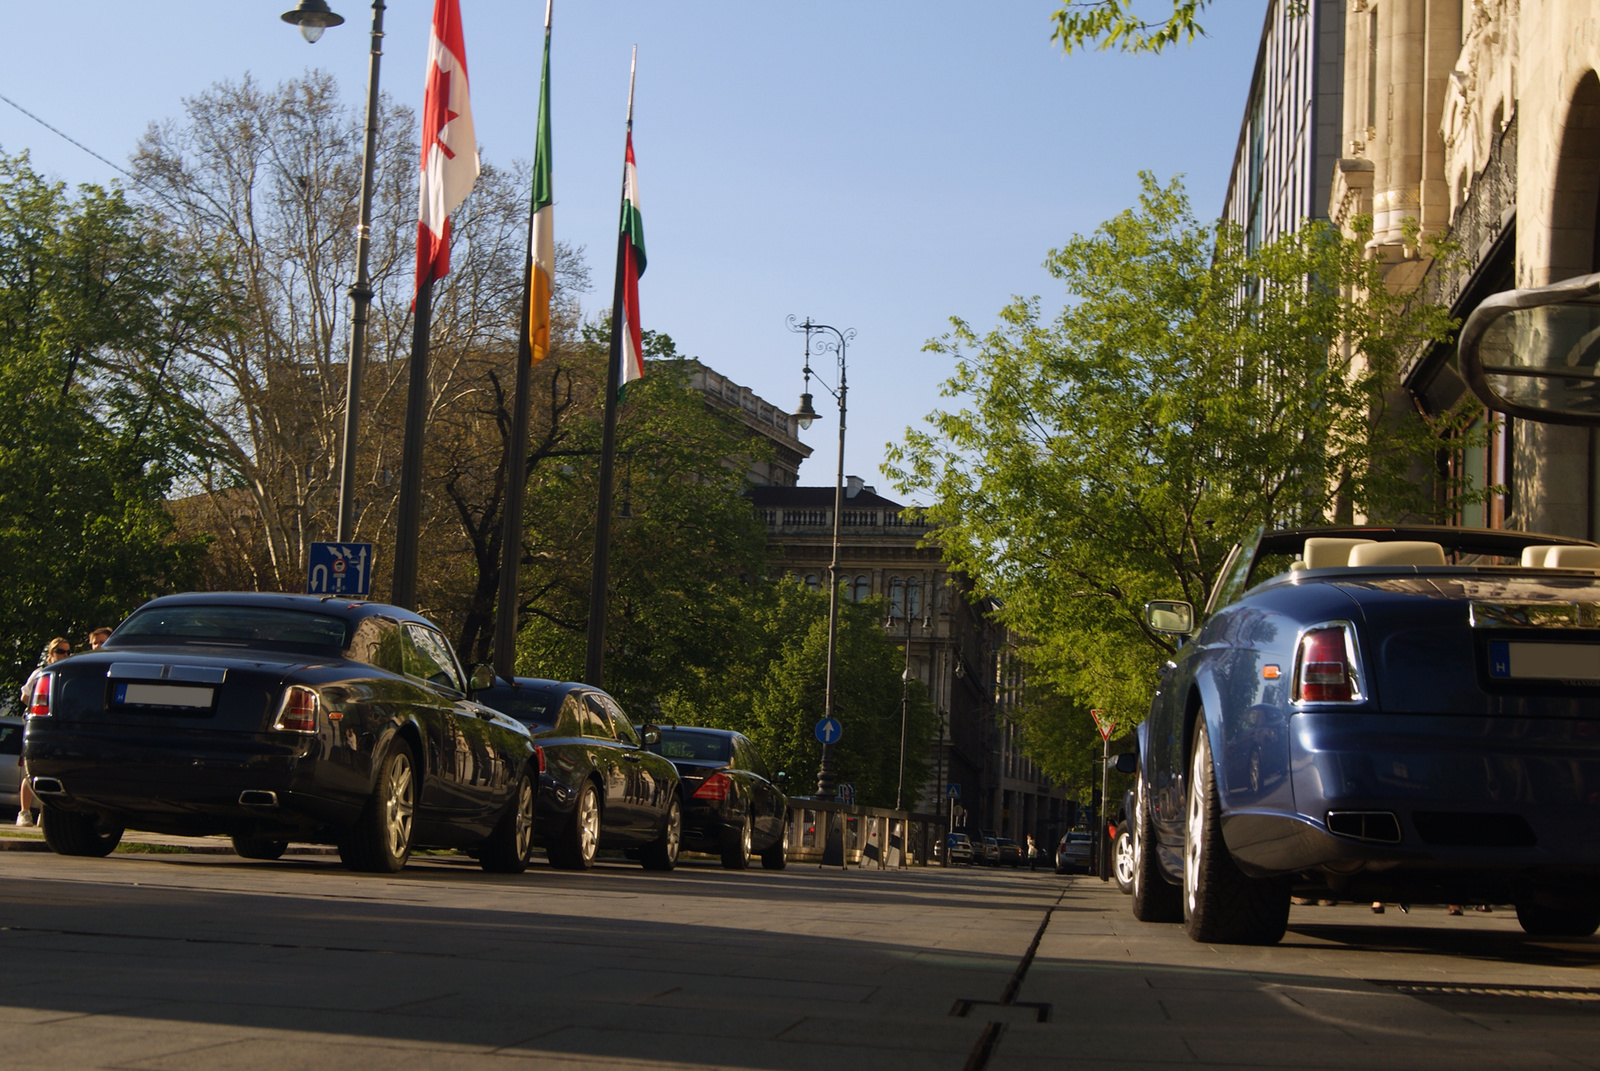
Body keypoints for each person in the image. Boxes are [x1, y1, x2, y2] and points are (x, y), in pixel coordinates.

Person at [17, 637, 71, 827]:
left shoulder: (66, 674)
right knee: (31, 772)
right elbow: (25, 696)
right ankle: (24, 811)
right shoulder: (41, 673)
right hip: (39, 725)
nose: (64, 655)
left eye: (67, 652)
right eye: (60, 652)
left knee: (50, 771)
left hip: (56, 728)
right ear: (51, 654)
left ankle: (44, 813)